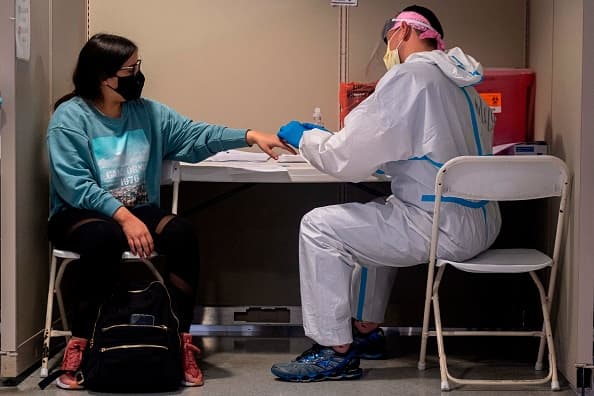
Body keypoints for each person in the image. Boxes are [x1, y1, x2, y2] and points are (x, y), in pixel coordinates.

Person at [47, 33, 294, 390]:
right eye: (130, 69)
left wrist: (250, 135)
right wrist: (124, 216)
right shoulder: (70, 118)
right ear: (103, 76)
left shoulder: (147, 113)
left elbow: (196, 136)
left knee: (182, 233)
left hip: (134, 208)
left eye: (138, 66)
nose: (138, 75)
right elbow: (75, 185)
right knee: (101, 237)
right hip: (78, 212)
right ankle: (82, 343)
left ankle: (179, 340)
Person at [271, 5, 502, 382]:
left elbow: (345, 157)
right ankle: (366, 331)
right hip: (481, 221)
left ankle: (335, 351)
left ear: (405, 30)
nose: (387, 46)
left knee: (318, 226)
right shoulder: (466, 87)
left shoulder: (411, 77)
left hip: (440, 226)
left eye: (389, 35)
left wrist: (305, 138)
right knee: (377, 216)